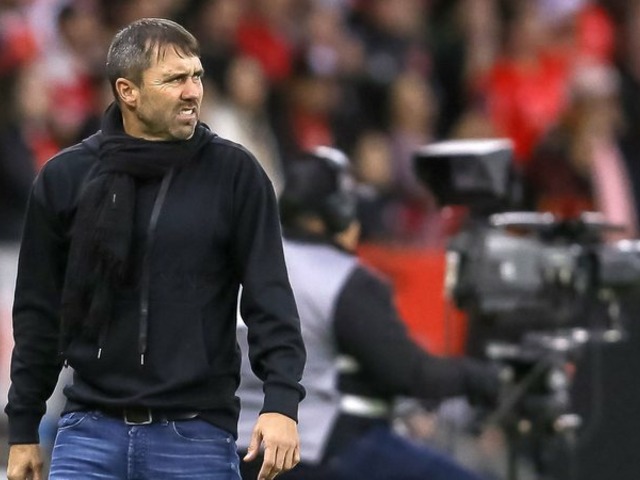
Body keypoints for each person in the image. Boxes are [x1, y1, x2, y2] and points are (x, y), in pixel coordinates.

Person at [5, 17, 306, 480]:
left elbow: (271, 298)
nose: (193, 92)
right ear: (127, 91)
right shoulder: (66, 177)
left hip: (195, 436)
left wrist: (281, 401)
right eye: (174, 79)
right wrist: (24, 427)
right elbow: (38, 314)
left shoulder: (236, 175)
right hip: (88, 433)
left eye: (197, 76)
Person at [236, 146, 502, 480]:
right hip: (311, 447)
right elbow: (409, 374)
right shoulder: (342, 279)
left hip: (231, 447)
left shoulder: (239, 261)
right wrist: (478, 377)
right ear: (339, 211)